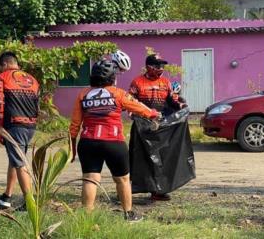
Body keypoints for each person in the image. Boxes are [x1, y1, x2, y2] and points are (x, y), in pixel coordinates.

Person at [69, 59, 160, 222]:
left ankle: (86, 219)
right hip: (113, 142)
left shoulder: (83, 94)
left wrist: (72, 148)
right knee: (123, 179)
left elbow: (75, 124)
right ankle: (129, 215)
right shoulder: (118, 93)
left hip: (88, 142)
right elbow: (138, 106)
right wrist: (153, 114)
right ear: (112, 77)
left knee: (90, 179)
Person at [129, 54, 185, 201]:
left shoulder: (165, 82)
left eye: (162, 66)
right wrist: (133, 113)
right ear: (149, 67)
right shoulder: (137, 82)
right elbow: (131, 102)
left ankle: (158, 191)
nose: (161, 69)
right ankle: (130, 189)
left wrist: (181, 106)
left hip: (160, 126)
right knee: (139, 158)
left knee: (160, 158)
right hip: (142, 128)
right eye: (157, 65)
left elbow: (172, 101)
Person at [0, 52, 39, 209]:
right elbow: (37, 105)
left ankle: (29, 203)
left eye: (0, 67)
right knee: (15, 160)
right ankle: (7, 195)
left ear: (5, 64)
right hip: (30, 126)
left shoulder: (3, 78)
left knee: (19, 163)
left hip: (14, 126)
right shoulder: (32, 80)